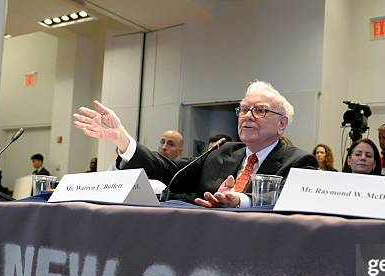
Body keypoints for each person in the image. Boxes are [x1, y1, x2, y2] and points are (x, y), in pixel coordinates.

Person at [73, 80, 317, 208]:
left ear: (282, 124)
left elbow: (291, 202)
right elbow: (170, 171)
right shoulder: (222, 152)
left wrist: (240, 200)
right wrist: (122, 140)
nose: (247, 115)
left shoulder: (298, 162)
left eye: (260, 110)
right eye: (243, 109)